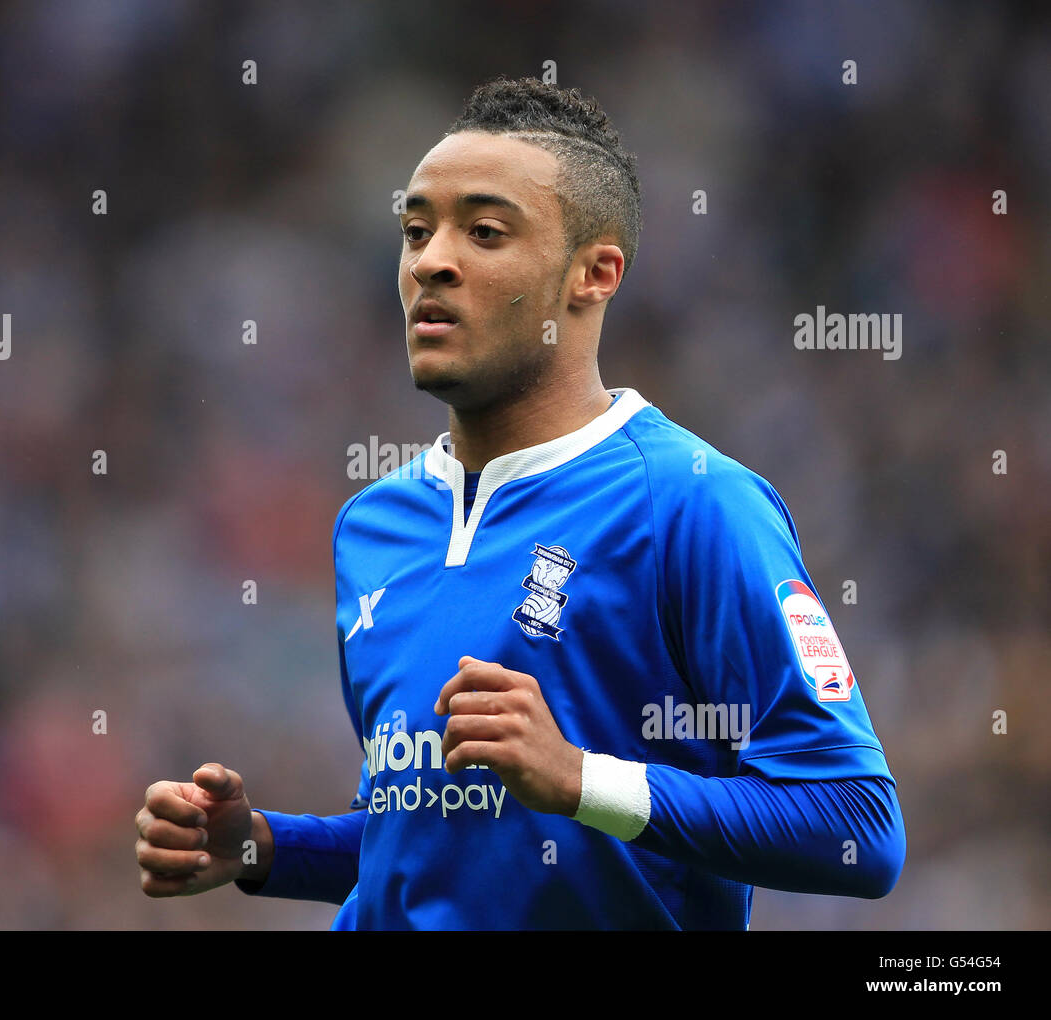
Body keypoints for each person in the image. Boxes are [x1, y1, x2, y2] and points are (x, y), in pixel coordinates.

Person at [135, 75, 905, 929]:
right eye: (416, 231)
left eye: (486, 231)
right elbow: (438, 840)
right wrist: (263, 848)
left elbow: (859, 829)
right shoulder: (373, 527)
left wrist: (581, 778)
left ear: (594, 273)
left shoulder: (693, 503)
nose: (431, 260)